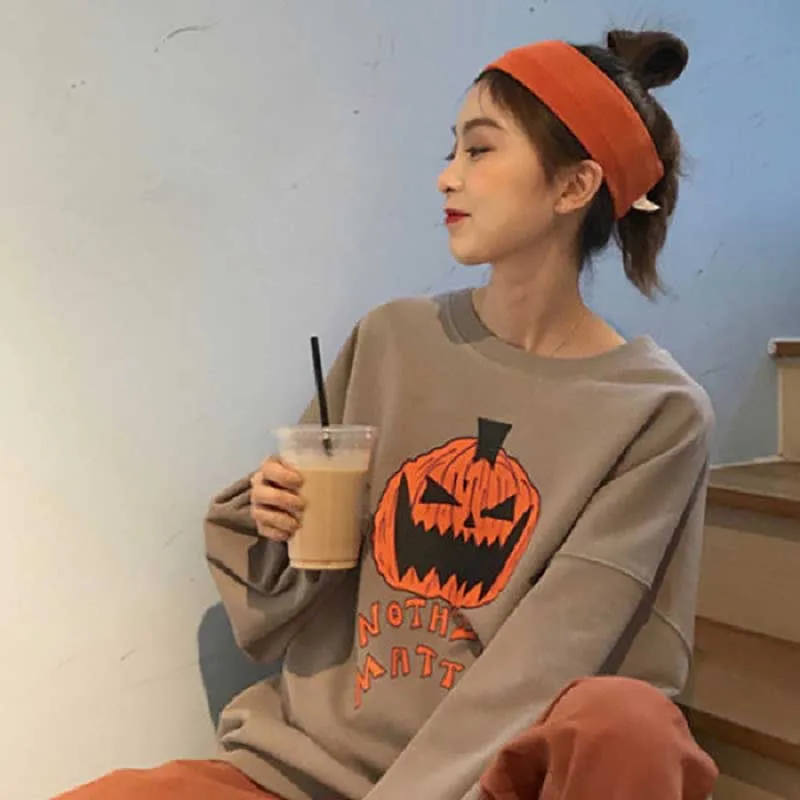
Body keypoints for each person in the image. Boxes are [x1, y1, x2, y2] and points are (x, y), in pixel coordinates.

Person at [58, 28, 719, 800]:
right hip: (301, 766)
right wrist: (280, 519)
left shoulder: (653, 413)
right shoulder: (393, 339)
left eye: (479, 150)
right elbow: (286, 594)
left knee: (633, 722)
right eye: (452, 149)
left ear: (574, 187)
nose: (447, 176)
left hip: (477, 781)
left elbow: (550, 659)